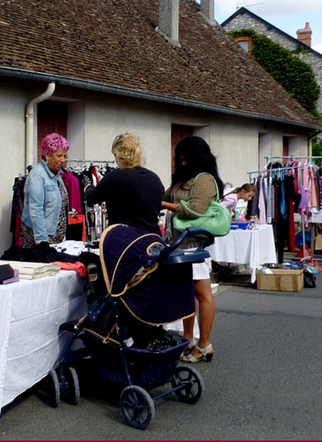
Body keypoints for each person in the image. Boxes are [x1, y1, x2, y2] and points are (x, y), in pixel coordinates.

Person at [162, 136, 223, 363]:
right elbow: (166, 195)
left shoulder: (204, 179)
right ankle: (189, 338)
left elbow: (196, 210)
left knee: (202, 294)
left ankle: (205, 344)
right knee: (189, 293)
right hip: (180, 244)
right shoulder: (183, 178)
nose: (181, 160)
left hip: (195, 245)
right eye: (179, 157)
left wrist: (165, 205)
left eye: (184, 156)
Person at [84, 132, 164, 235]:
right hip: (152, 239)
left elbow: (92, 198)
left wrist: (88, 188)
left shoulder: (115, 177)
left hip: (125, 241)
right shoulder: (154, 178)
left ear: (118, 156)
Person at [21, 133, 70, 247]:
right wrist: (42, 241)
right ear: (47, 155)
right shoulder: (37, 175)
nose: (63, 160)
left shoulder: (57, 174)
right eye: (59, 156)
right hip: (42, 238)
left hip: (57, 236)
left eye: (64, 156)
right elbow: (36, 209)